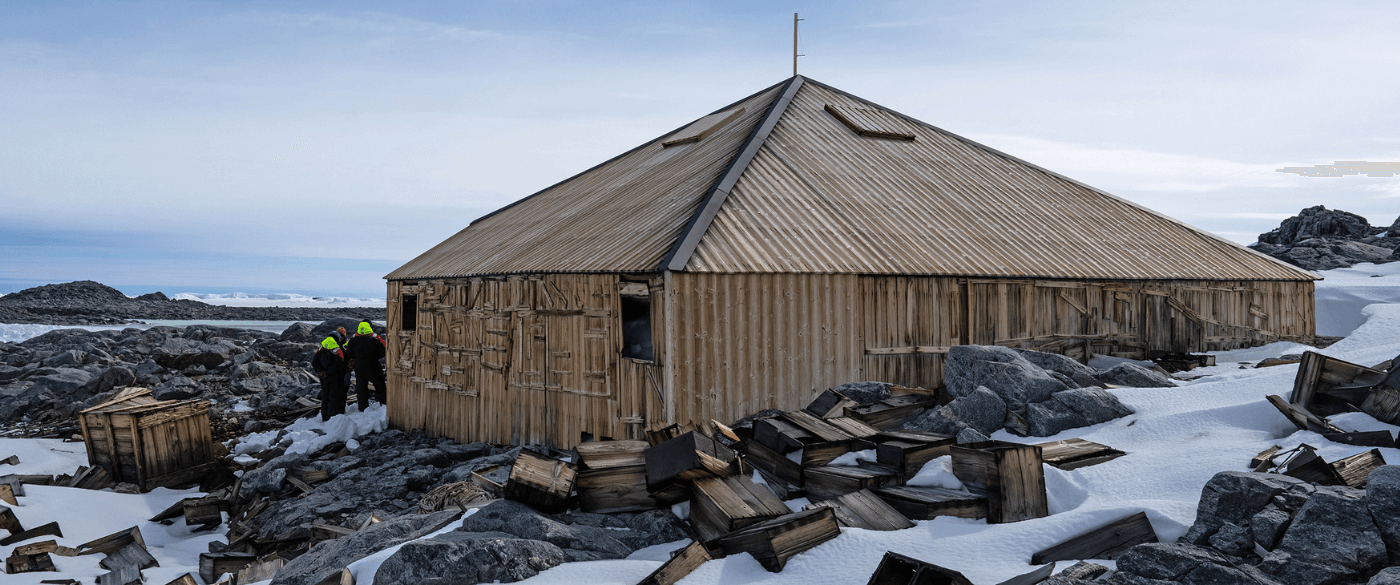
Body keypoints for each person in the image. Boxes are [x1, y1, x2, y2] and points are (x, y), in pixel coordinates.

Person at [346, 320, 388, 411]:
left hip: (359, 365)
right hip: (373, 364)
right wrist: (374, 356)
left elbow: (348, 353)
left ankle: (362, 408)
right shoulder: (375, 338)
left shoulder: (353, 339)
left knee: (361, 387)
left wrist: (357, 357)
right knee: (379, 385)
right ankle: (383, 404)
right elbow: (383, 351)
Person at [312, 332, 349, 421]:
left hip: (323, 378)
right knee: (333, 397)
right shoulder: (337, 349)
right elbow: (339, 364)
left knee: (325, 397)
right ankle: (331, 417)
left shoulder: (321, 347)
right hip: (334, 377)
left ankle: (324, 417)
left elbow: (314, 362)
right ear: (337, 338)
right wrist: (328, 372)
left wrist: (320, 371)